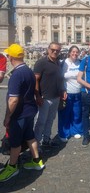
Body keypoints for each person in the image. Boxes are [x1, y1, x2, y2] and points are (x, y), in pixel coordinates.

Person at [0, 44, 44, 182]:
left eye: (8, 56)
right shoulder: (28, 70)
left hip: (19, 114)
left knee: (15, 142)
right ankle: (37, 161)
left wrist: (7, 117)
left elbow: (13, 100)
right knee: (30, 137)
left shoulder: (16, 74)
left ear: (11, 57)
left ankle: (12, 167)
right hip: (30, 110)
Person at [34, 42, 66, 149]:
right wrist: (38, 96)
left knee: (50, 120)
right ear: (48, 49)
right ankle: (36, 145)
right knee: (40, 122)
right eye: (53, 49)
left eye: (57, 50)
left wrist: (62, 90)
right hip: (44, 98)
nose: (55, 52)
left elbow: (59, 79)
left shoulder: (58, 62)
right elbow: (36, 79)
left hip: (56, 97)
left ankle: (46, 139)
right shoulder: (41, 62)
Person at [58, 45, 83, 142]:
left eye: (77, 52)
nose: (75, 54)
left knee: (77, 113)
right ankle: (64, 133)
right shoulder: (63, 63)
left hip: (78, 91)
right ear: (69, 52)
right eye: (73, 51)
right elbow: (59, 77)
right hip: (66, 92)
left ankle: (76, 130)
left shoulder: (80, 63)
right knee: (64, 114)